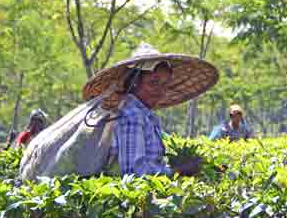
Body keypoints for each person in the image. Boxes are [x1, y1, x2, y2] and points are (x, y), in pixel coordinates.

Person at [81, 43, 219, 176]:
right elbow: (133, 172)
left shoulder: (145, 115)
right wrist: (179, 171)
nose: (160, 91)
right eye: (153, 83)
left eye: (165, 85)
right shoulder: (132, 115)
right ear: (135, 82)